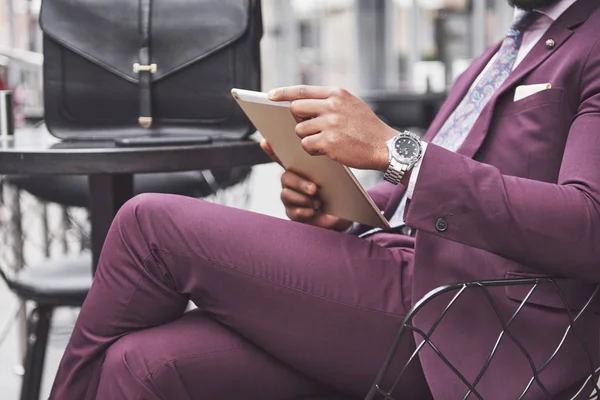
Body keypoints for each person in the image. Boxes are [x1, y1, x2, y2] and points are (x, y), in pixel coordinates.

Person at [50, 0, 600, 398]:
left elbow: (588, 227)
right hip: (404, 278)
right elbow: (423, 186)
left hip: (480, 320)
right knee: (141, 362)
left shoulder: (591, 40)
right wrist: (349, 207)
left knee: (148, 225)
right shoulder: (496, 54)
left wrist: (393, 148)